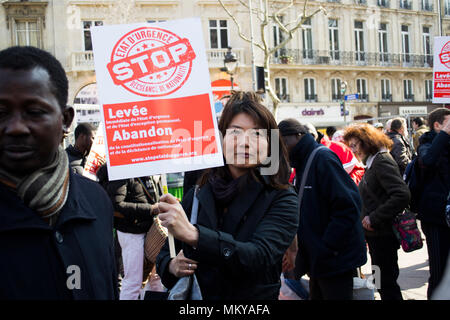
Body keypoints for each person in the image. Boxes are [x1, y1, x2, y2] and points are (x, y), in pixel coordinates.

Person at [156, 91, 299, 300]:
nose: (245, 143)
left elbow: (259, 256)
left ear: (271, 144)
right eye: (235, 133)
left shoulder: (282, 197)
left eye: (257, 134)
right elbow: (165, 253)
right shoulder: (199, 191)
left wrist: (195, 236)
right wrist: (171, 265)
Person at [0, 46, 117, 299]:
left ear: (65, 120)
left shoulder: (96, 201)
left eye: (34, 112)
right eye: (1, 112)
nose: (16, 127)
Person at [278, 118, 367, 300]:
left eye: (284, 143)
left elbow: (348, 206)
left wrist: (326, 247)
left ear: (298, 136)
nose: (283, 149)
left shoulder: (322, 158)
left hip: (334, 259)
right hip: (320, 260)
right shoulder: (301, 163)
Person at [343, 123, 410, 300]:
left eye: (354, 145)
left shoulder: (381, 161)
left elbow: (401, 194)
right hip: (376, 236)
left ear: (367, 142)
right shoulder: (373, 161)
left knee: (386, 282)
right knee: (380, 280)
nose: (353, 150)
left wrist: (374, 217)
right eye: (350, 146)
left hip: (383, 235)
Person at [104, 174, 162, 300]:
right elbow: (116, 205)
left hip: (151, 229)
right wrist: (151, 209)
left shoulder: (149, 169)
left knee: (156, 280)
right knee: (133, 282)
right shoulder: (121, 171)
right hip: (132, 232)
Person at [416, 107, 450, 299]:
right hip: (435, 217)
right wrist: (444, 134)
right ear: (437, 125)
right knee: (438, 271)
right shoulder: (426, 143)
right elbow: (427, 160)